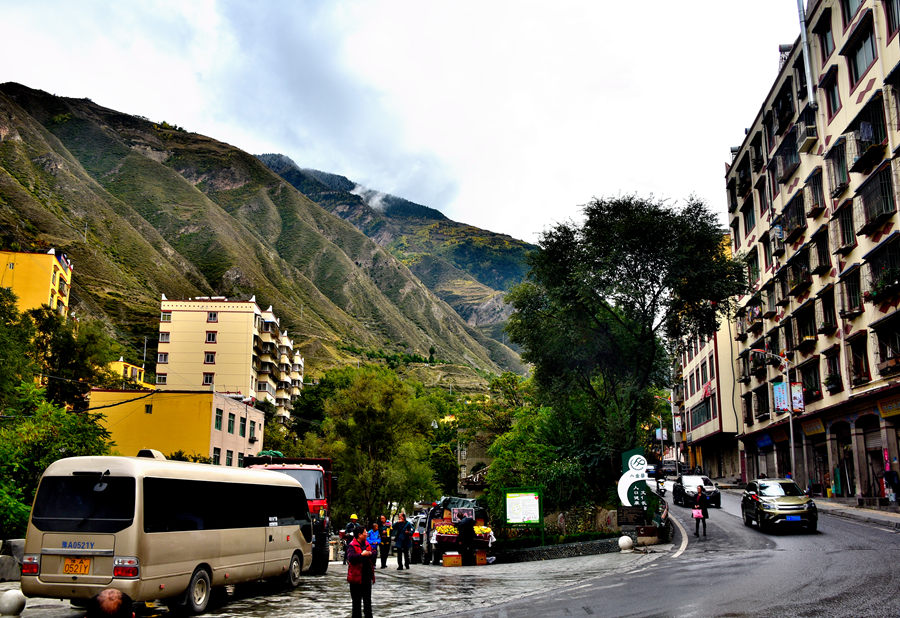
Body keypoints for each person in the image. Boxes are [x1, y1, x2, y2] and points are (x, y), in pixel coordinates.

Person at [346, 524, 375, 618]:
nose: (366, 534)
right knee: (356, 604)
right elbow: (351, 558)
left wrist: (369, 553)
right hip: (356, 579)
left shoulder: (367, 544)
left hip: (367, 578)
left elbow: (374, 553)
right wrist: (362, 555)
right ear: (359, 535)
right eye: (365, 532)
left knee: (368, 603)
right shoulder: (352, 545)